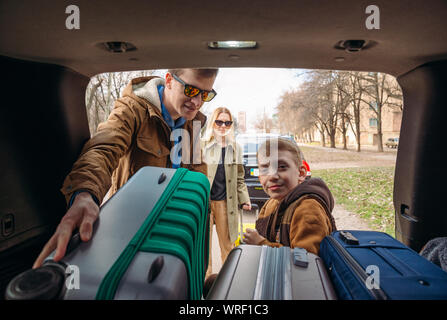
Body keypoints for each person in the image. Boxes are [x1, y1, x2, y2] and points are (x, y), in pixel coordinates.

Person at [33, 68, 219, 268]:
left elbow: (197, 175)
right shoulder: (133, 109)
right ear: (169, 81)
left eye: (206, 94)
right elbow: (104, 147)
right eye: (191, 91)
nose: (197, 102)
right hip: (133, 229)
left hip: (174, 229)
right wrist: (85, 194)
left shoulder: (193, 125)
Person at [243, 137, 336, 255]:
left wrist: (261, 244)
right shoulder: (271, 203)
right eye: (265, 169)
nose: (272, 176)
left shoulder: (307, 209)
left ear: (301, 173)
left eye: (282, 167)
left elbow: (307, 262)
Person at [202, 107, 251, 277]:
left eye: (227, 122)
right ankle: (206, 286)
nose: (223, 126)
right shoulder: (202, 145)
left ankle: (227, 284)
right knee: (203, 250)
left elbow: (239, 178)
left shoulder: (235, 147)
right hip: (205, 204)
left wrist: (244, 199)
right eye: (219, 121)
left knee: (228, 247)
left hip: (225, 203)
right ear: (213, 122)